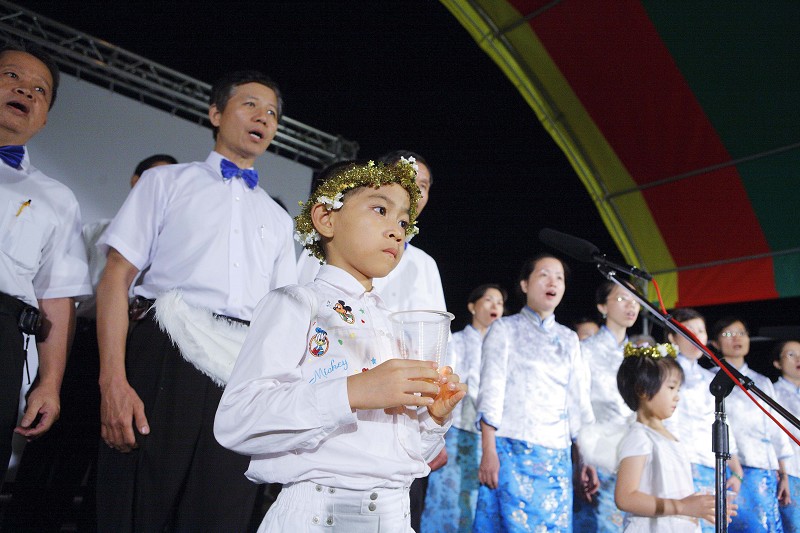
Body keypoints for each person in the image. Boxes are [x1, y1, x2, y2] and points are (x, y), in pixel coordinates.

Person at [214, 159, 467, 532]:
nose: (397, 231)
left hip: (395, 516)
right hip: (318, 516)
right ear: (325, 218)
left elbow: (406, 454)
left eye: (403, 222)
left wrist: (433, 420)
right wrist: (352, 392)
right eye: (380, 210)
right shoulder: (297, 303)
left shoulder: (393, 327)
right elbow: (238, 419)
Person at [95, 71, 297, 532]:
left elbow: (281, 318)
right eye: (250, 105)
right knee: (137, 505)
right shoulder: (165, 182)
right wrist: (113, 382)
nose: (263, 118)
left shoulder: (278, 219)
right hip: (165, 353)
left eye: (271, 113)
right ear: (215, 113)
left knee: (219, 514)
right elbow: (115, 277)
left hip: (240, 370)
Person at [3, 154, 177, 531]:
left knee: (106, 455)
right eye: (154, 179)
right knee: (51, 445)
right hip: (83, 348)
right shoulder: (97, 231)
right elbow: (64, 294)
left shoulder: (172, 250)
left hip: (132, 355)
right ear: (136, 182)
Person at [0, 41, 91, 485]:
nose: (26, 91)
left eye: (40, 90)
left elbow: (56, 295)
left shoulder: (57, 199)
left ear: (44, 117)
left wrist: (50, 384)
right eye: (12, 76)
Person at [474, 253, 596, 531]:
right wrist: (488, 451)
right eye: (544, 275)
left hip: (557, 458)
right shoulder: (504, 329)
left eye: (559, 278)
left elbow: (578, 402)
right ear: (525, 284)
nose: (553, 282)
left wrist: (586, 458)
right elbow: (491, 392)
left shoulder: (569, 338)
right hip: (511, 452)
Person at [614, 341, 729, 531]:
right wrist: (683, 506)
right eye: (671, 388)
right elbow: (625, 498)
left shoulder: (667, 436)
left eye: (678, 389)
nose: (677, 396)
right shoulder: (639, 437)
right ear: (642, 390)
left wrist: (703, 506)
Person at [422, 283, 506, 533]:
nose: (495, 306)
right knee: (451, 504)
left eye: (500, 302)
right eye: (489, 300)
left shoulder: (505, 345)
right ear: (472, 307)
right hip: (458, 435)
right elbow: (442, 388)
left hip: (494, 438)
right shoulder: (457, 342)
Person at [663, 308, 744, 533]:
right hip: (679, 462)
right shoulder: (663, 373)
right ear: (672, 337)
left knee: (711, 524)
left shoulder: (711, 378)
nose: (696, 336)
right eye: (689, 331)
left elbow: (722, 422)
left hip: (710, 464)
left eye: (701, 330)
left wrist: (735, 467)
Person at [710, 317, 792, 532]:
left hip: (763, 466)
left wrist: (783, 473)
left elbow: (775, 428)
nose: (736, 338)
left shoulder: (761, 382)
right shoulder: (710, 381)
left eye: (741, 333)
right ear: (715, 343)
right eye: (728, 334)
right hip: (728, 467)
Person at [575, 280, 641, 532]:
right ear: (602, 306)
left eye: (635, 300)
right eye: (622, 299)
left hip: (634, 453)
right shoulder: (585, 350)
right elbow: (578, 404)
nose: (631, 305)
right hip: (598, 451)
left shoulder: (639, 356)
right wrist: (583, 458)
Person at [772, 339, 800, 532]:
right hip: (791, 471)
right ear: (777, 363)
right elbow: (774, 436)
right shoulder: (772, 392)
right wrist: (782, 474)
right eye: (791, 355)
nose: (799, 359)